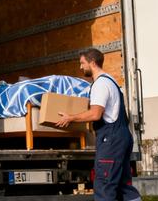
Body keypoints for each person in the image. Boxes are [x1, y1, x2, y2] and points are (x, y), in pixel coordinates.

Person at [55, 49, 142, 201]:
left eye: (82, 63)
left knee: (104, 186)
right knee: (124, 185)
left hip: (111, 140)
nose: (81, 67)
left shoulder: (100, 84)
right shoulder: (111, 81)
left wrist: (71, 118)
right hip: (122, 137)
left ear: (93, 63)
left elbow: (95, 114)